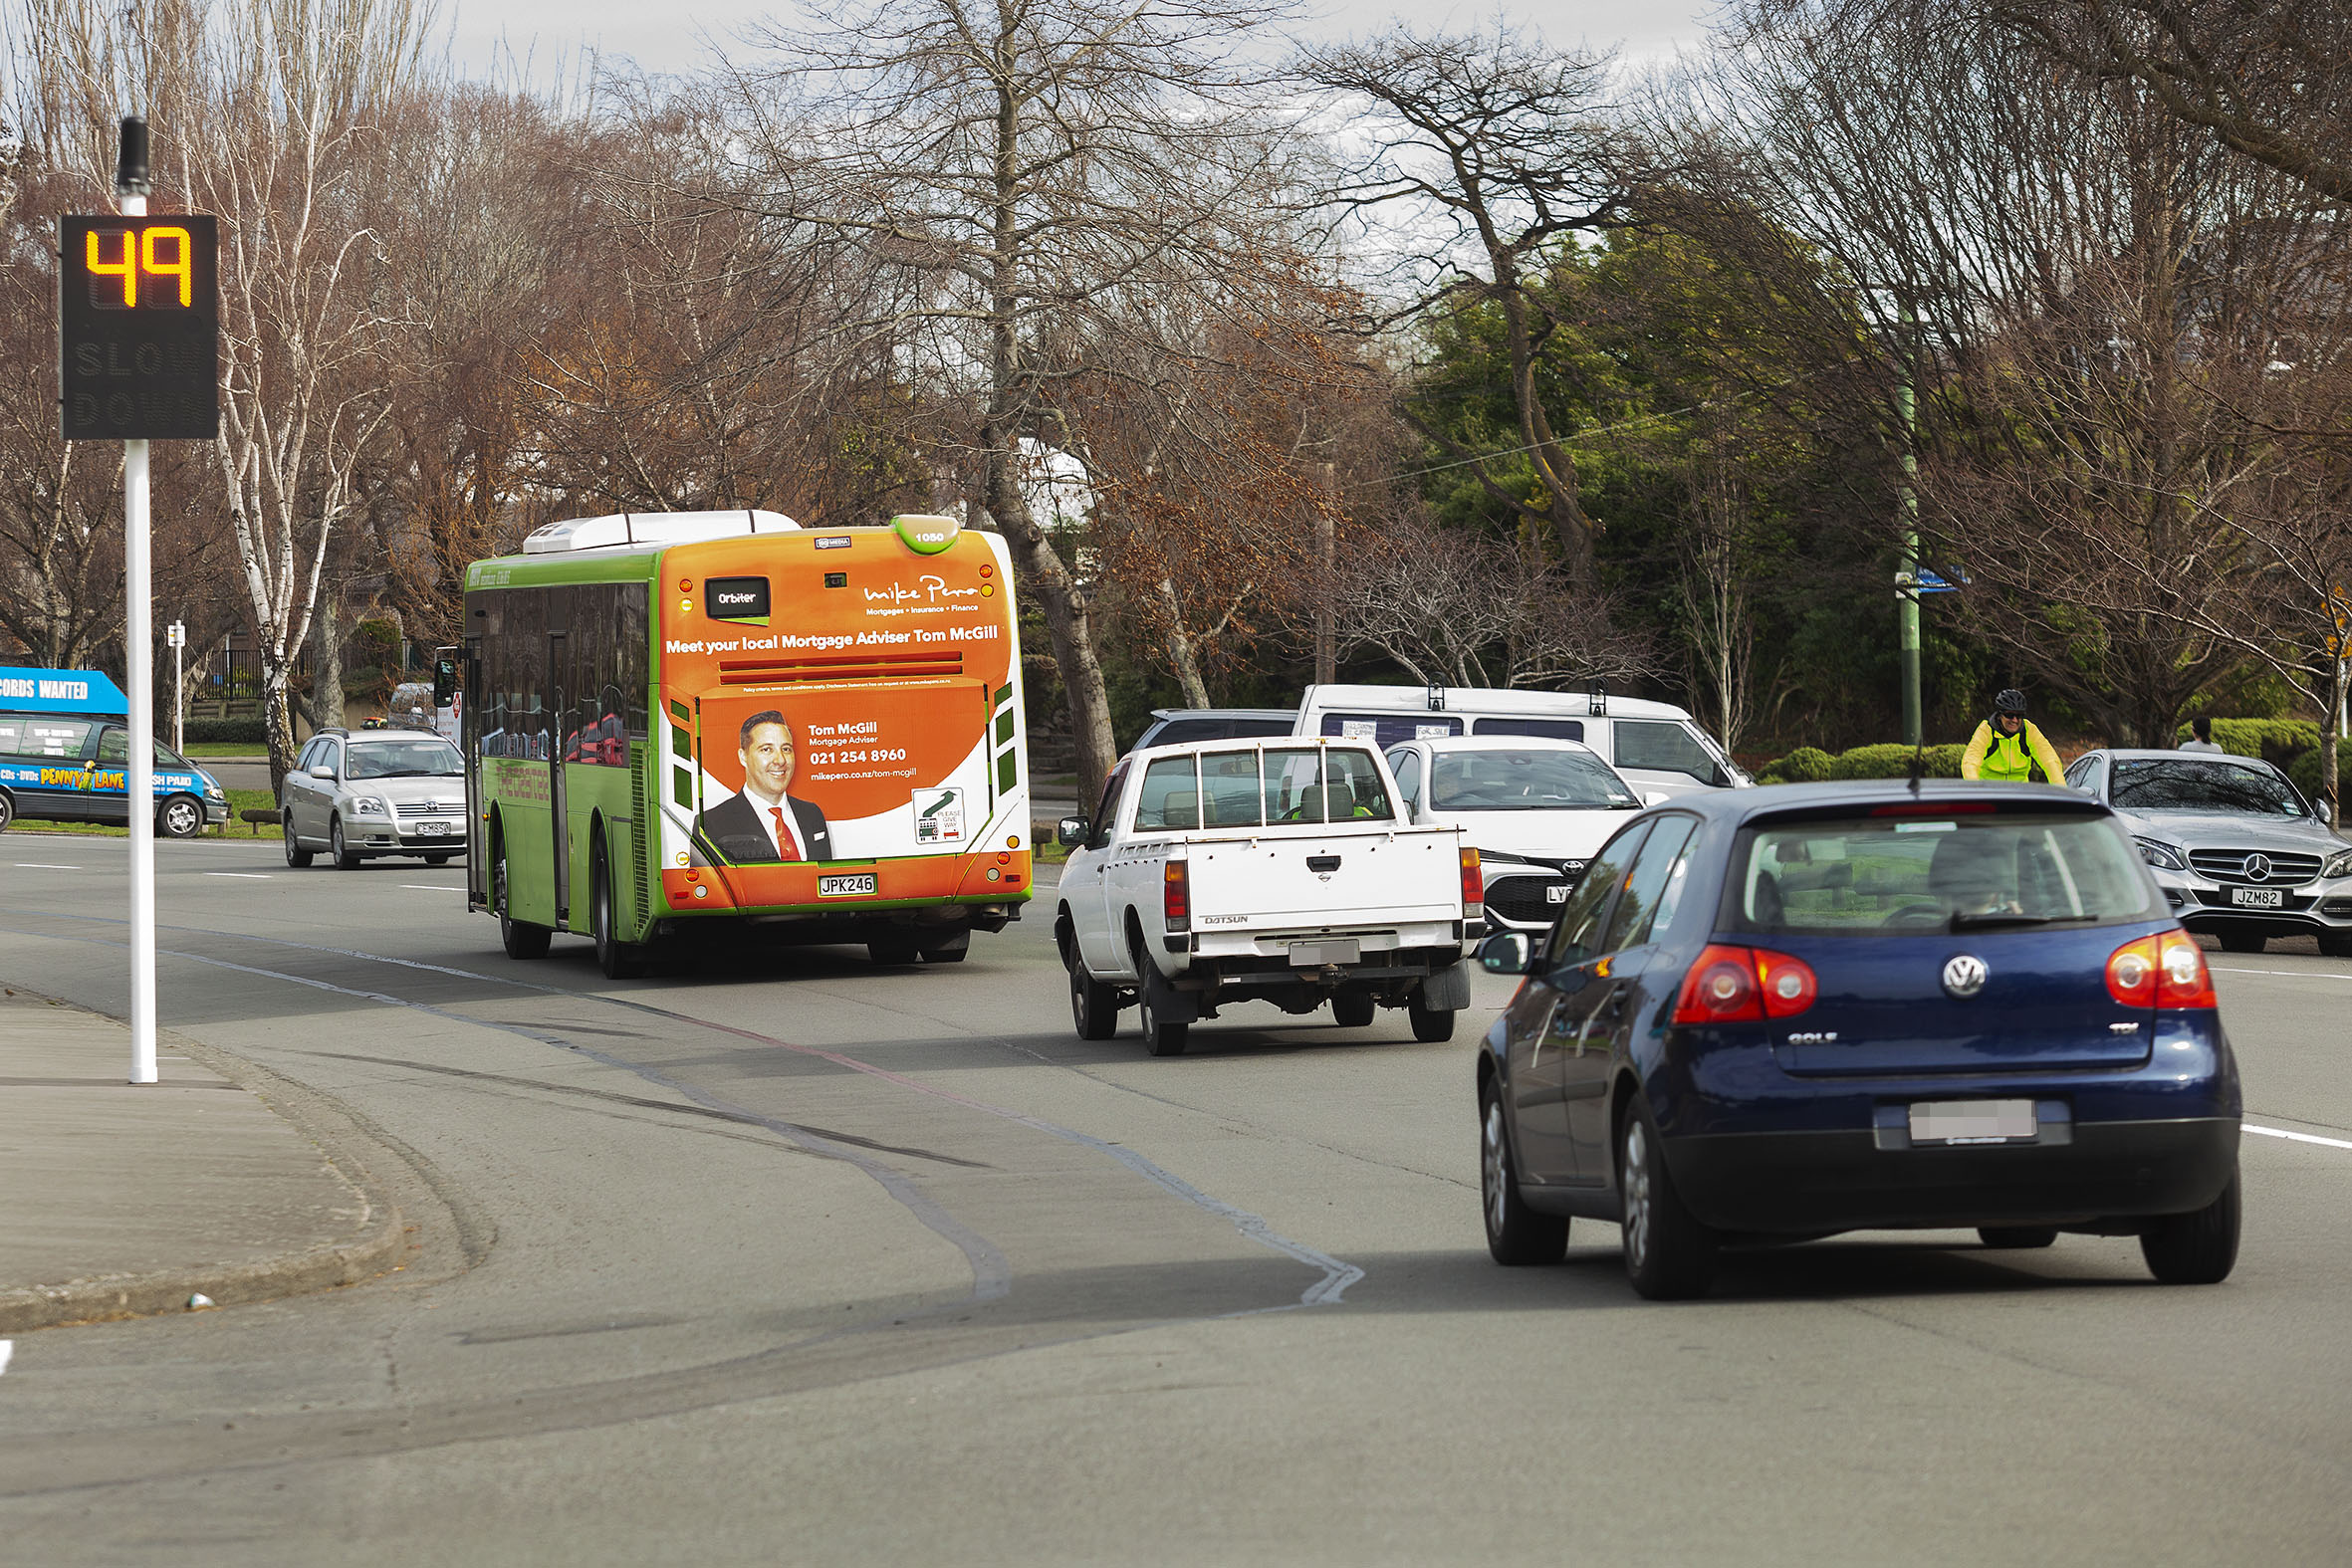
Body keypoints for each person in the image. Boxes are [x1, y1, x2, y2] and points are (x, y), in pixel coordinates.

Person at [694, 711, 833, 863]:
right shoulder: (710, 825)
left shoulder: (812, 814)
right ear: (743, 757)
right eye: (766, 749)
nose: (780, 760)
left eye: (786, 749)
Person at [1960, 688, 2064, 783]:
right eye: (2009, 715)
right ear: (2000, 715)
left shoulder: (2029, 730)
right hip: (1989, 792)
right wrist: (1976, 791)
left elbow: (2050, 761)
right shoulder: (1986, 730)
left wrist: (2061, 793)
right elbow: (1970, 762)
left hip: (2019, 793)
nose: (2014, 720)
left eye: (2019, 715)